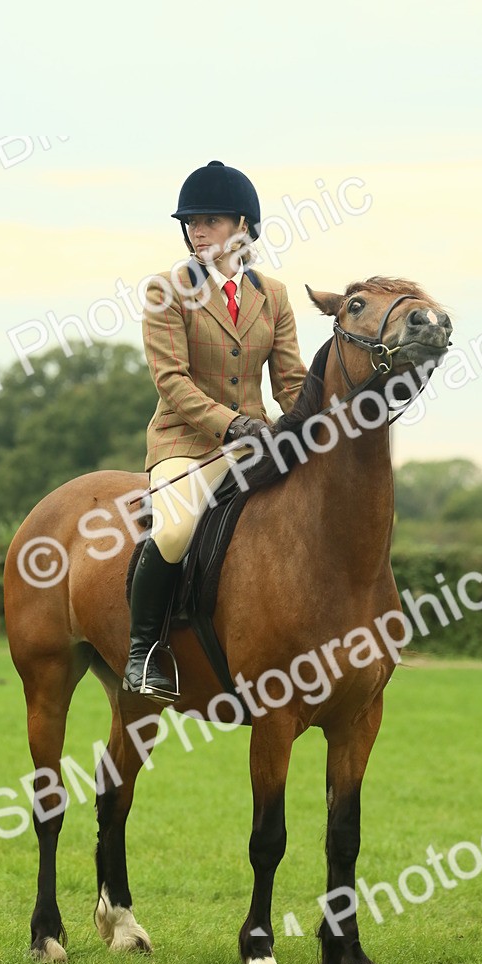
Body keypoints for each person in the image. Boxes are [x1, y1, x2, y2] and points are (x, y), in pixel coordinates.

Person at [123, 159, 307, 699]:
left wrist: (311, 432)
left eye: (210, 220)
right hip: (188, 442)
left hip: (258, 440)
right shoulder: (167, 291)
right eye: (191, 221)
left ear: (243, 227)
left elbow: (292, 381)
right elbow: (172, 382)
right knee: (176, 529)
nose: (196, 230)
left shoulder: (273, 295)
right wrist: (234, 426)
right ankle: (143, 652)